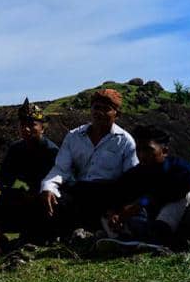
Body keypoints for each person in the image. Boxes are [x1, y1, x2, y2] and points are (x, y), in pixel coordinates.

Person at [39, 89, 137, 235]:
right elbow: (61, 169)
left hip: (108, 195)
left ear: (117, 114)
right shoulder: (74, 137)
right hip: (80, 191)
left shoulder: (125, 141)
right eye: (97, 107)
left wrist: (122, 207)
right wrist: (48, 187)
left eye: (106, 109)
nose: (100, 113)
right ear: (90, 109)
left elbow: (132, 178)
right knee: (50, 200)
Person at [104, 125, 190, 251]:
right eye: (139, 150)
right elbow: (116, 194)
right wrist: (114, 213)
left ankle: (154, 240)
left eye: (148, 150)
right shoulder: (135, 174)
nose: (142, 155)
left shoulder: (180, 168)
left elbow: (169, 193)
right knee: (108, 210)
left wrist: (139, 205)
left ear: (164, 151)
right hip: (168, 233)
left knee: (183, 197)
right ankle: (128, 238)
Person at [0, 98, 60, 243]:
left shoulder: (51, 151)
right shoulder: (16, 149)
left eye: (32, 125)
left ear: (42, 127)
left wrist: (37, 193)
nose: (26, 129)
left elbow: (57, 181)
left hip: (47, 196)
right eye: (23, 125)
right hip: (27, 195)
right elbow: (4, 178)